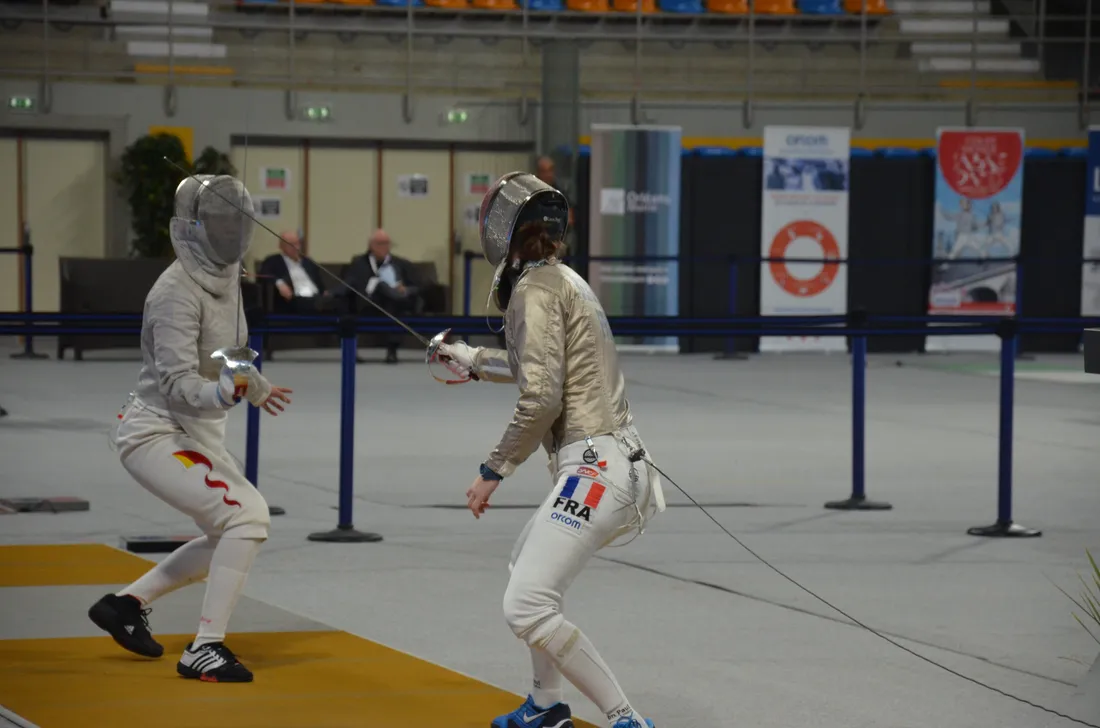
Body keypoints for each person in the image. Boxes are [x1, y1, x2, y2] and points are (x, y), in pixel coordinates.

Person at [434, 172, 664, 728]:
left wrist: (493, 469)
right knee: (525, 571)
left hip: (596, 470)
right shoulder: (564, 281)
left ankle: (627, 719)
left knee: (525, 604)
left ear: (501, 231)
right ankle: (544, 705)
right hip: (614, 462)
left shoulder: (534, 290)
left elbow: (541, 396)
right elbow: (534, 367)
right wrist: (469, 358)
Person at [87, 175, 293, 684]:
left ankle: (125, 605)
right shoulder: (173, 292)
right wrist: (221, 394)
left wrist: (257, 387)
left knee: (230, 533)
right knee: (248, 516)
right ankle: (204, 648)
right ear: (195, 227)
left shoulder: (228, 278)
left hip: (199, 432)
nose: (230, 233)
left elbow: (232, 353)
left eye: (236, 223)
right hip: (155, 433)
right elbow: (177, 382)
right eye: (220, 223)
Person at [344, 229, 423, 363]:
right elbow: (349, 283)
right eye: (379, 243)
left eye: (386, 243)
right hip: (366, 303)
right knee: (380, 286)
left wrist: (405, 289)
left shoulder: (401, 263)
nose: (383, 247)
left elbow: (418, 286)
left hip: (393, 304)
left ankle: (392, 351)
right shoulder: (359, 263)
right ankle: (352, 351)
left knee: (394, 300)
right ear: (370, 245)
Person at [259, 230, 329, 314]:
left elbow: (320, 285)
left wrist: (326, 294)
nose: (296, 247)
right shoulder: (273, 261)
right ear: (281, 246)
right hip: (294, 300)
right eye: (291, 244)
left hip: (316, 299)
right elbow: (263, 274)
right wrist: (279, 283)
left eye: (297, 243)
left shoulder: (308, 262)